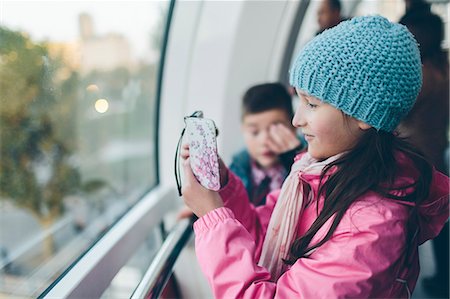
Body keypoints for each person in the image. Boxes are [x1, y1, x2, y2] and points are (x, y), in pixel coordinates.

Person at [180, 16, 449, 298]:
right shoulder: (315, 176)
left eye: (311, 104)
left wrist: (213, 217)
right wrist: (223, 190)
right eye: (298, 101)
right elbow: (266, 234)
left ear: (363, 115)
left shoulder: (372, 228)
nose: (296, 120)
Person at [397, 10, 449, 298]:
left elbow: (396, 110)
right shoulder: (443, 67)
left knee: (405, 225)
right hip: (435, 150)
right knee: (439, 222)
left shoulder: (420, 76)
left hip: (413, 157)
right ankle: (443, 276)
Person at [229, 83, 304, 206]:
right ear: (242, 129)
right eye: (255, 132)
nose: (265, 141)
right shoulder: (235, 171)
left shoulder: (309, 166)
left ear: (293, 126)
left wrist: (294, 158)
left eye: (275, 130)